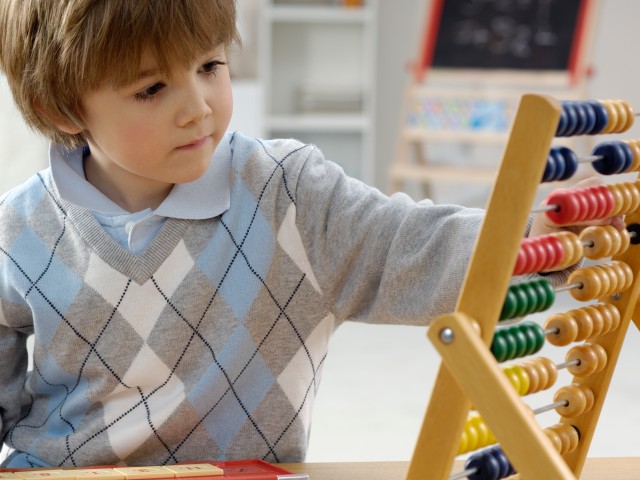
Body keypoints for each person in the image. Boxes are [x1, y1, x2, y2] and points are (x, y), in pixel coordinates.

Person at [0, 0, 621, 470]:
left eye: (211, 65)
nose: (200, 106)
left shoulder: (290, 196)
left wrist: (546, 238)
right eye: (152, 88)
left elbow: (410, 245)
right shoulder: (16, 231)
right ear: (64, 110)